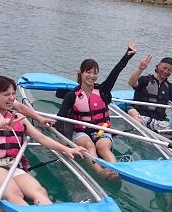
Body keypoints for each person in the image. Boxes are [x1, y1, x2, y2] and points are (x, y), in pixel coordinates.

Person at [0, 76, 85, 206]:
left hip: (14, 165)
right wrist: (2, 124)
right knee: (14, 194)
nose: (11, 98)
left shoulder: (19, 118)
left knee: (40, 191)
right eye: (6, 94)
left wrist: (68, 149)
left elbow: (42, 138)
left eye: (13, 94)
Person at [57, 41, 137, 179]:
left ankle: (115, 171)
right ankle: (100, 172)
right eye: (88, 72)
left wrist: (126, 57)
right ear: (81, 73)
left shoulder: (102, 91)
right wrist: (62, 140)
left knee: (103, 147)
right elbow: (61, 117)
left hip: (102, 130)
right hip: (81, 133)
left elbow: (115, 73)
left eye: (95, 73)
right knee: (89, 145)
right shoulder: (72, 96)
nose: (92, 76)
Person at [127, 55, 172, 132]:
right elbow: (131, 83)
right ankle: (140, 132)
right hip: (141, 116)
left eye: (169, 70)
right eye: (164, 68)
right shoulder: (145, 80)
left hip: (159, 121)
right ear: (158, 66)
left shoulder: (169, 87)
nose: (166, 71)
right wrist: (140, 69)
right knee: (131, 111)